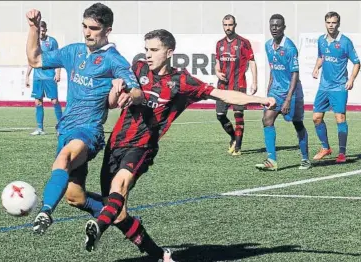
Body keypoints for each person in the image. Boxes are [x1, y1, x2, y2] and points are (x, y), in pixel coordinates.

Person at [83, 29, 275, 262]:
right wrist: (116, 90)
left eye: (154, 50)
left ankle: (98, 225)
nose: (148, 55)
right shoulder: (138, 68)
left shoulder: (182, 81)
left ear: (169, 52)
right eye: (146, 50)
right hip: (115, 144)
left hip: (142, 147)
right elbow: (113, 101)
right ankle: (161, 255)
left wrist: (260, 99)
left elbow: (223, 95)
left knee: (119, 186)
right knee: (118, 212)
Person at [25, 3, 143, 235]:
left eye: (94, 28)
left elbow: (138, 92)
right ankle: (120, 218)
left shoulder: (113, 60)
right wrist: (33, 28)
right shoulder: (74, 51)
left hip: (89, 132)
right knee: (75, 197)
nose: (87, 32)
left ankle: (45, 212)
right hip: (65, 130)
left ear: (107, 30)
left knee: (64, 157)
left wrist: (128, 91)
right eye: (84, 26)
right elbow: (35, 59)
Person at [255, 14, 311, 171]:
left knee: (297, 123)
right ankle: (272, 160)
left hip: (291, 94)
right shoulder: (267, 46)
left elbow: (295, 74)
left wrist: (287, 99)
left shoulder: (290, 47)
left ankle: (305, 158)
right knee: (267, 119)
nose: (274, 28)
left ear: (283, 28)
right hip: (275, 92)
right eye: (272, 25)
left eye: (278, 25)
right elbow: (273, 69)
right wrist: (268, 93)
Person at [311, 11, 360, 163]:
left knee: (340, 118)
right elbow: (321, 57)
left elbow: (357, 62)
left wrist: (351, 79)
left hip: (339, 87)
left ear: (338, 24)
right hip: (323, 86)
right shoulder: (321, 40)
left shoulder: (345, 42)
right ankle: (325, 148)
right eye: (328, 22)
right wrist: (316, 67)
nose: (331, 25)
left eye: (334, 22)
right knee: (316, 118)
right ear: (325, 23)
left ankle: (342, 153)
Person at [214, 14, 258, 155]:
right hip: (222, 86)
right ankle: (233, 137)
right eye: (225, 25)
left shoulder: (243, 43)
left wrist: (254, 82)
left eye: (230, 25)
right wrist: (217, 72)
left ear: (235, 25)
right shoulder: (219, 44)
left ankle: (237, 147)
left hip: (239, 85)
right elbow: (217, 63)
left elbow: (252, 62)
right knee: (220, 115)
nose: (228, 28)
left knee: (238, 115)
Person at [25, 21, 63, 135]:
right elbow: (31, 60)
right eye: (39, 30)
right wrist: (27, 76)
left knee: (54, 101)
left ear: (45, 30)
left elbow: (58, 58)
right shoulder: (34, 42)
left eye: (42, 30)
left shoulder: (52, 42)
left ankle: (61, 127)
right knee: (38, 102)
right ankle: (40, 129)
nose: (40, 33)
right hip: (37, 77)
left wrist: (58, 72)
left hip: (49, 76)